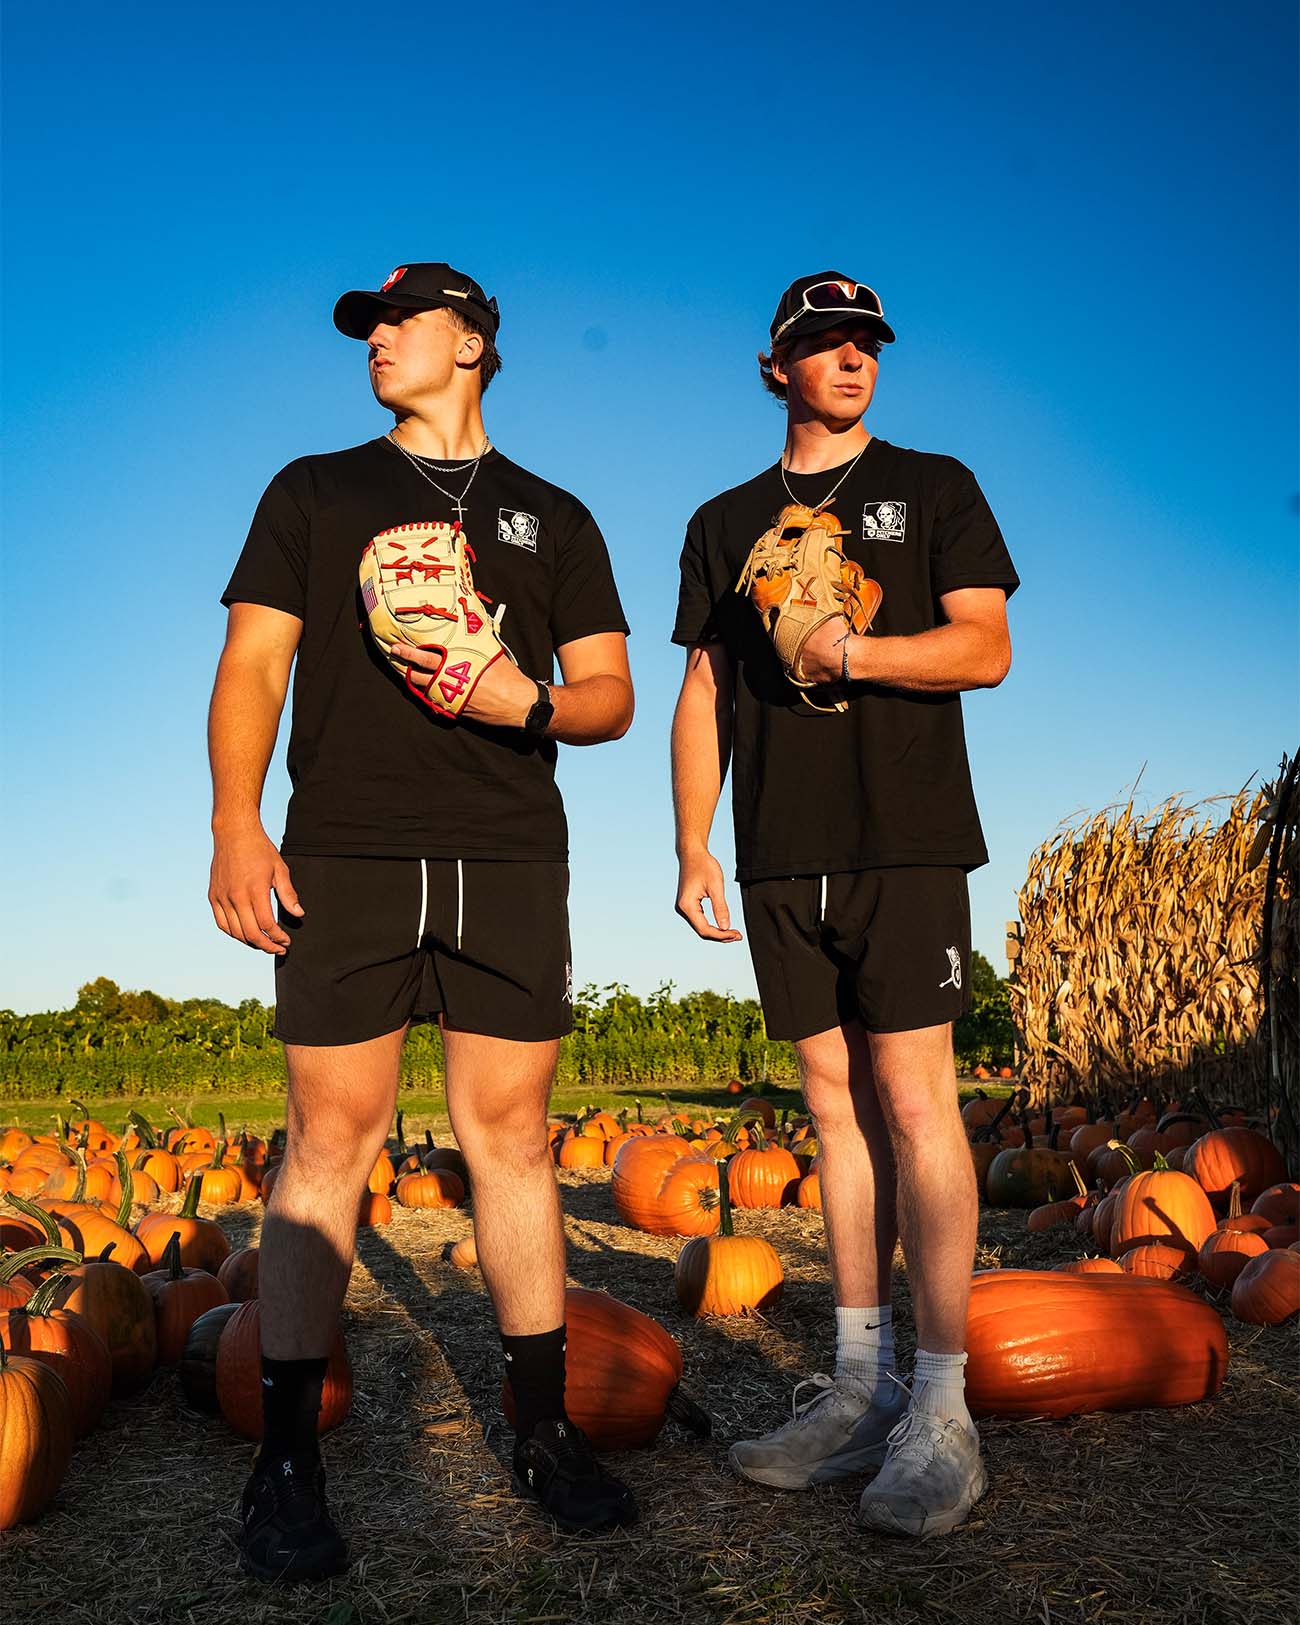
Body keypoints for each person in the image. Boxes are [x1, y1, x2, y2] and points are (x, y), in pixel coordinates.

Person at [209, 261, 637, 1583]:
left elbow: (610, 692)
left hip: (507, 851)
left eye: (403, 321)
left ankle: (544, 1428)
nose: (378, 340)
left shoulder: (554, 516)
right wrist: (236, 823)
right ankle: (287, 1462)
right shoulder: (314, 489)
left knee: (510, 1138)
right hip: (347, 848)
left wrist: (524, 702)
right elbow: (253, 662)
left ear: (473, 342)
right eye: (368, 326)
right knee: (328, 1141)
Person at [670, 272, 1018, 1538]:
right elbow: (704, 689)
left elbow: (983, 646)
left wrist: (850, 651)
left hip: (904, 840)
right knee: (831, 1105)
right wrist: (692, 843)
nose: (850, 356)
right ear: (776, 367)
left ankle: (942, 1408)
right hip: (778, 850)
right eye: (822, 341)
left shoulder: (933, 486)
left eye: (865, 340)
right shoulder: (722, 521)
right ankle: (862, 1387)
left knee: (916, 1100)